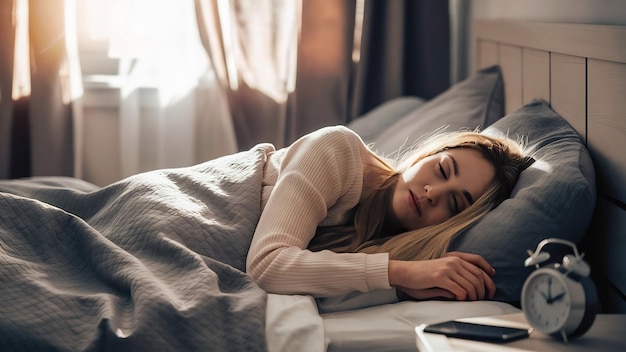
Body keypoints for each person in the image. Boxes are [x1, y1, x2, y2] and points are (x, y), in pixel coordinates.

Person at [246, 125, 533, 303]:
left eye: (454, 204)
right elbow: (267, 266)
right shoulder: (337, 150)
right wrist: (404, 273)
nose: (433, 193)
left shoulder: (391, 246)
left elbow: (317, 282)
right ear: (426, 156)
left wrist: (401, 286)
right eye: (442, 169)